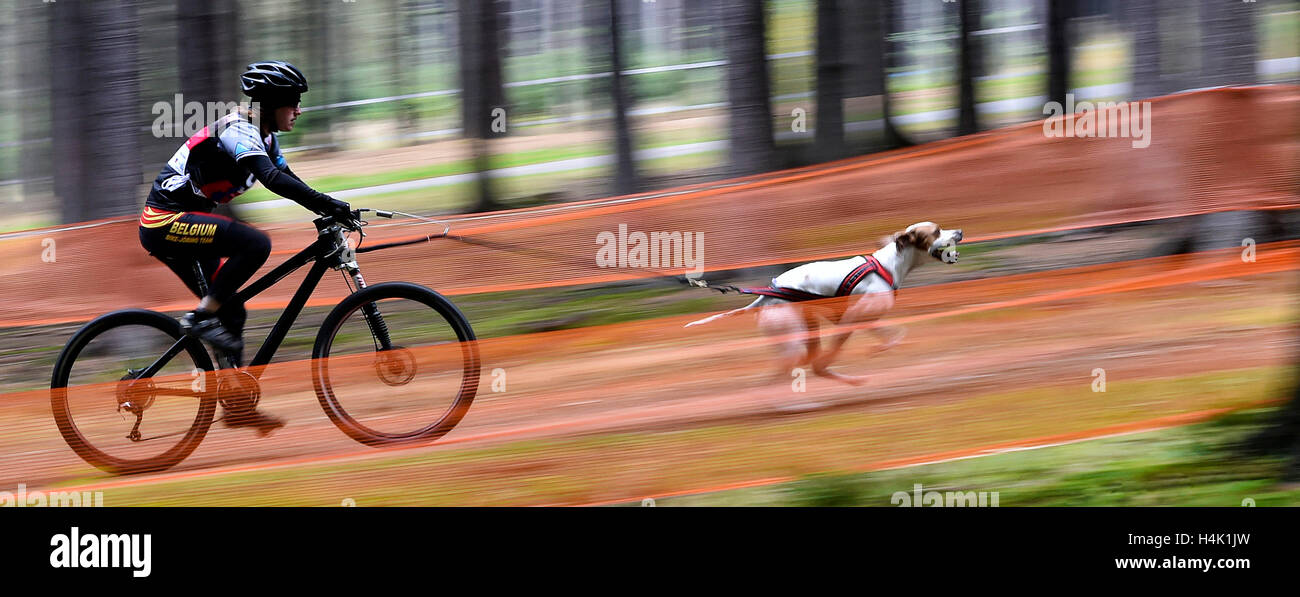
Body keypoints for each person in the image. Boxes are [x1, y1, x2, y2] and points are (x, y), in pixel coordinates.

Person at [138, 60, 350, 435]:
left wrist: (329, 206)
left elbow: (285, 175)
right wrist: (324, 202)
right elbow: (269, 178)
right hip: (165, 222)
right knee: (255, 244)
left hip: (188, 222)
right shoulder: (240, 130)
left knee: (232, 312)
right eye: (293, 102)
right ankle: (200, 318)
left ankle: (235, 408)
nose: (299, 110)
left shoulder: (266, 135)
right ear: (270, 103)